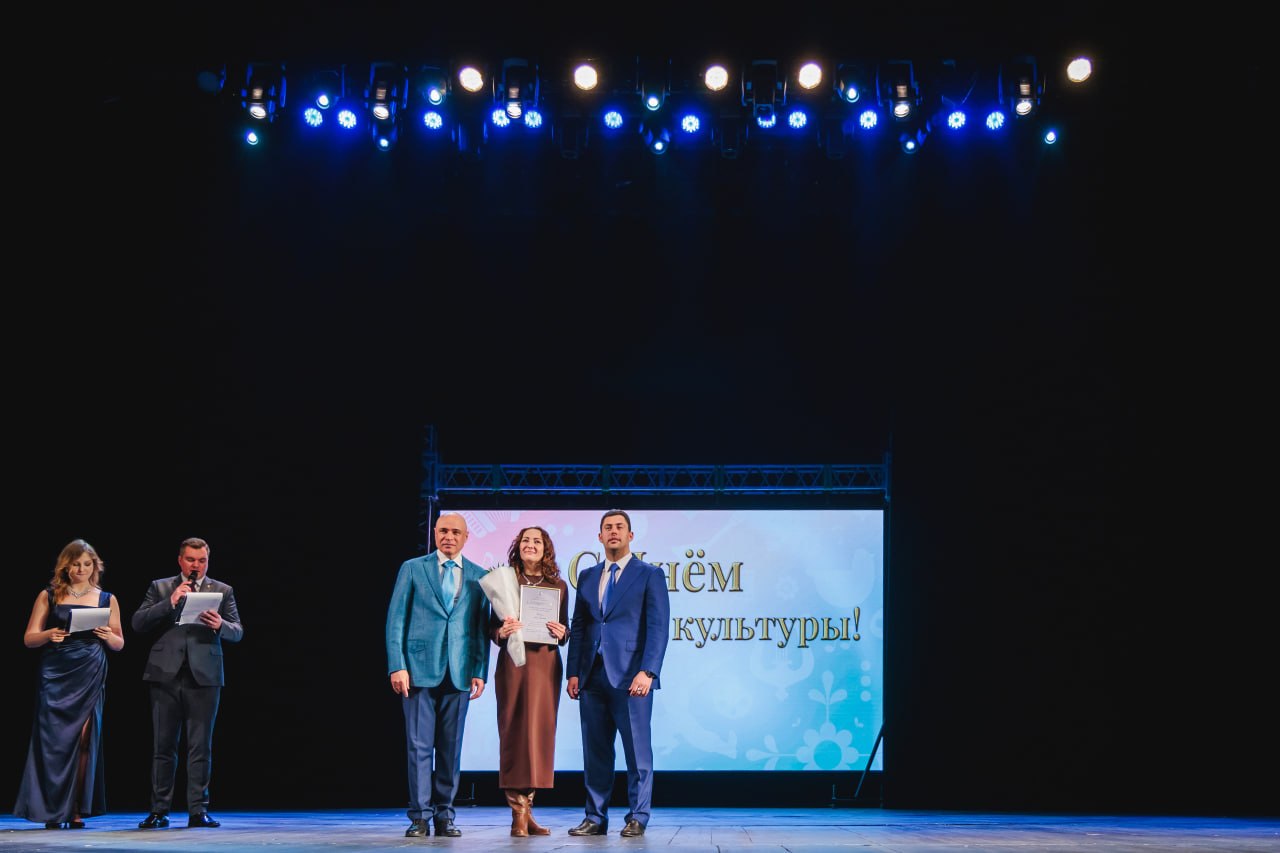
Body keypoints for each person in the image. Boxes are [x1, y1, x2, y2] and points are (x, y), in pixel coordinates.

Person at [385, 511, 491, 839]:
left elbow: (480, 627)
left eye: (456, 532)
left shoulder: (479, 575)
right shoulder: (413, 568)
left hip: (460, 671)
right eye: (443, 530)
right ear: (434, 533)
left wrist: (479, 670)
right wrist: (397, 665)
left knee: (450, 748)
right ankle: (419, 816)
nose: (449, 537)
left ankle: (445, 815)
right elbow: (396, 620)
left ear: (466, 537)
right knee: (419, 747)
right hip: (418, 670)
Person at [565, 510, 671, 838]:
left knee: (637, 751)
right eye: (608, 527)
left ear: (630, 535)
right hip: (591, 676)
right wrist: (573, 672)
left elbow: (658, 627)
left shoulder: (649, 574)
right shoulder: (587, 576)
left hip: (631, 678)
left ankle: (638, 815)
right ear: (599, 537)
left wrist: (648, 671)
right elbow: (579, 627)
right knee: (596, 752)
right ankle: (595, 817)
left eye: (619, 527)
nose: (613, 532)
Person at [131, 537, 243, 830]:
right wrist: (169, 602)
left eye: (202, 560)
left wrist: (220, 625)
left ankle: (198, 811)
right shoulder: (161, 587)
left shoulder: (222, 590)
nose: (197, 566)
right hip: (164, 673)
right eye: (191, 560)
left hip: (204, 675)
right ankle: (159, 811)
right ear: (180, 560)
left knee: (200, 746)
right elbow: (138, 622)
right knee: (163, 746)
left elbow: (237, 631)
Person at [14, 539, 125, 830]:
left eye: (87, 564)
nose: (81, 569)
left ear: (95, 566)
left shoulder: (107, 598)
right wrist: (48, 634)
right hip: (57, 672)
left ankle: (75, 807)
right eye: (76, 564)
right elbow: (29, 638)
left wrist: (107, 635)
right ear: (66, 566)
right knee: (54, 743)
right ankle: (53, 809)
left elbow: (119, 643)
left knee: (84, 741)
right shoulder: (49, 595)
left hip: (90, 670)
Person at [490, 526, 570, 837]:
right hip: (514, 664)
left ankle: (527, 811)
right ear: (518, 546)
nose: (531, 545)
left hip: (545, 665)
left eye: (537, 541)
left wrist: (563, 633)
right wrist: (501, 631)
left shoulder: (558, 586)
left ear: (546, 548)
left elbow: (565, 628)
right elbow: (490, 627)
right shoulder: (505, 581)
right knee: (514, 733)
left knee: (538, 736)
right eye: (526, 540)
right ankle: (518, 815)